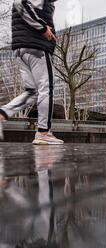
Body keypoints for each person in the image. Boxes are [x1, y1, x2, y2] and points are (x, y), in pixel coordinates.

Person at [0, 0, 63, 145]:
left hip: (22, 49)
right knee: (46, 89)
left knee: (32, 92)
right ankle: (43, 133)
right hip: (37, 48)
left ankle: (2, 114)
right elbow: (20, 3)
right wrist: (42, 28)